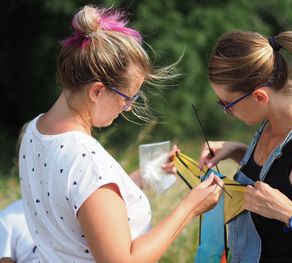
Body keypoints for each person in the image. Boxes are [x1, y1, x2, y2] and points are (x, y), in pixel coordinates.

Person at [18, 5, 223, 263]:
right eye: (128, 98)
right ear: (97, 92)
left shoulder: (34, 131)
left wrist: (141, 177)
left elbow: (76, 203)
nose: (128, 107)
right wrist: (190, 207)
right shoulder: (86, 160)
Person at [199, 30, 292, 262]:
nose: (227, 112)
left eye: (227, 104)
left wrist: (291, 213)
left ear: (260, 97)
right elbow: (282, 176)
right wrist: (237, 150)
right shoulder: (270, 125)